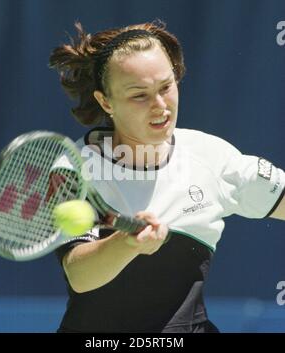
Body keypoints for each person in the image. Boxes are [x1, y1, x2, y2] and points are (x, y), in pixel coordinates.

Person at [49, 21, 285, 333]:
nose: (160, 106)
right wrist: (127, 244)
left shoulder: (213, 158)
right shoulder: (73, 168)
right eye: (139, 95)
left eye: (166, 87)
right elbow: (80, 275)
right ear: (106, 102)